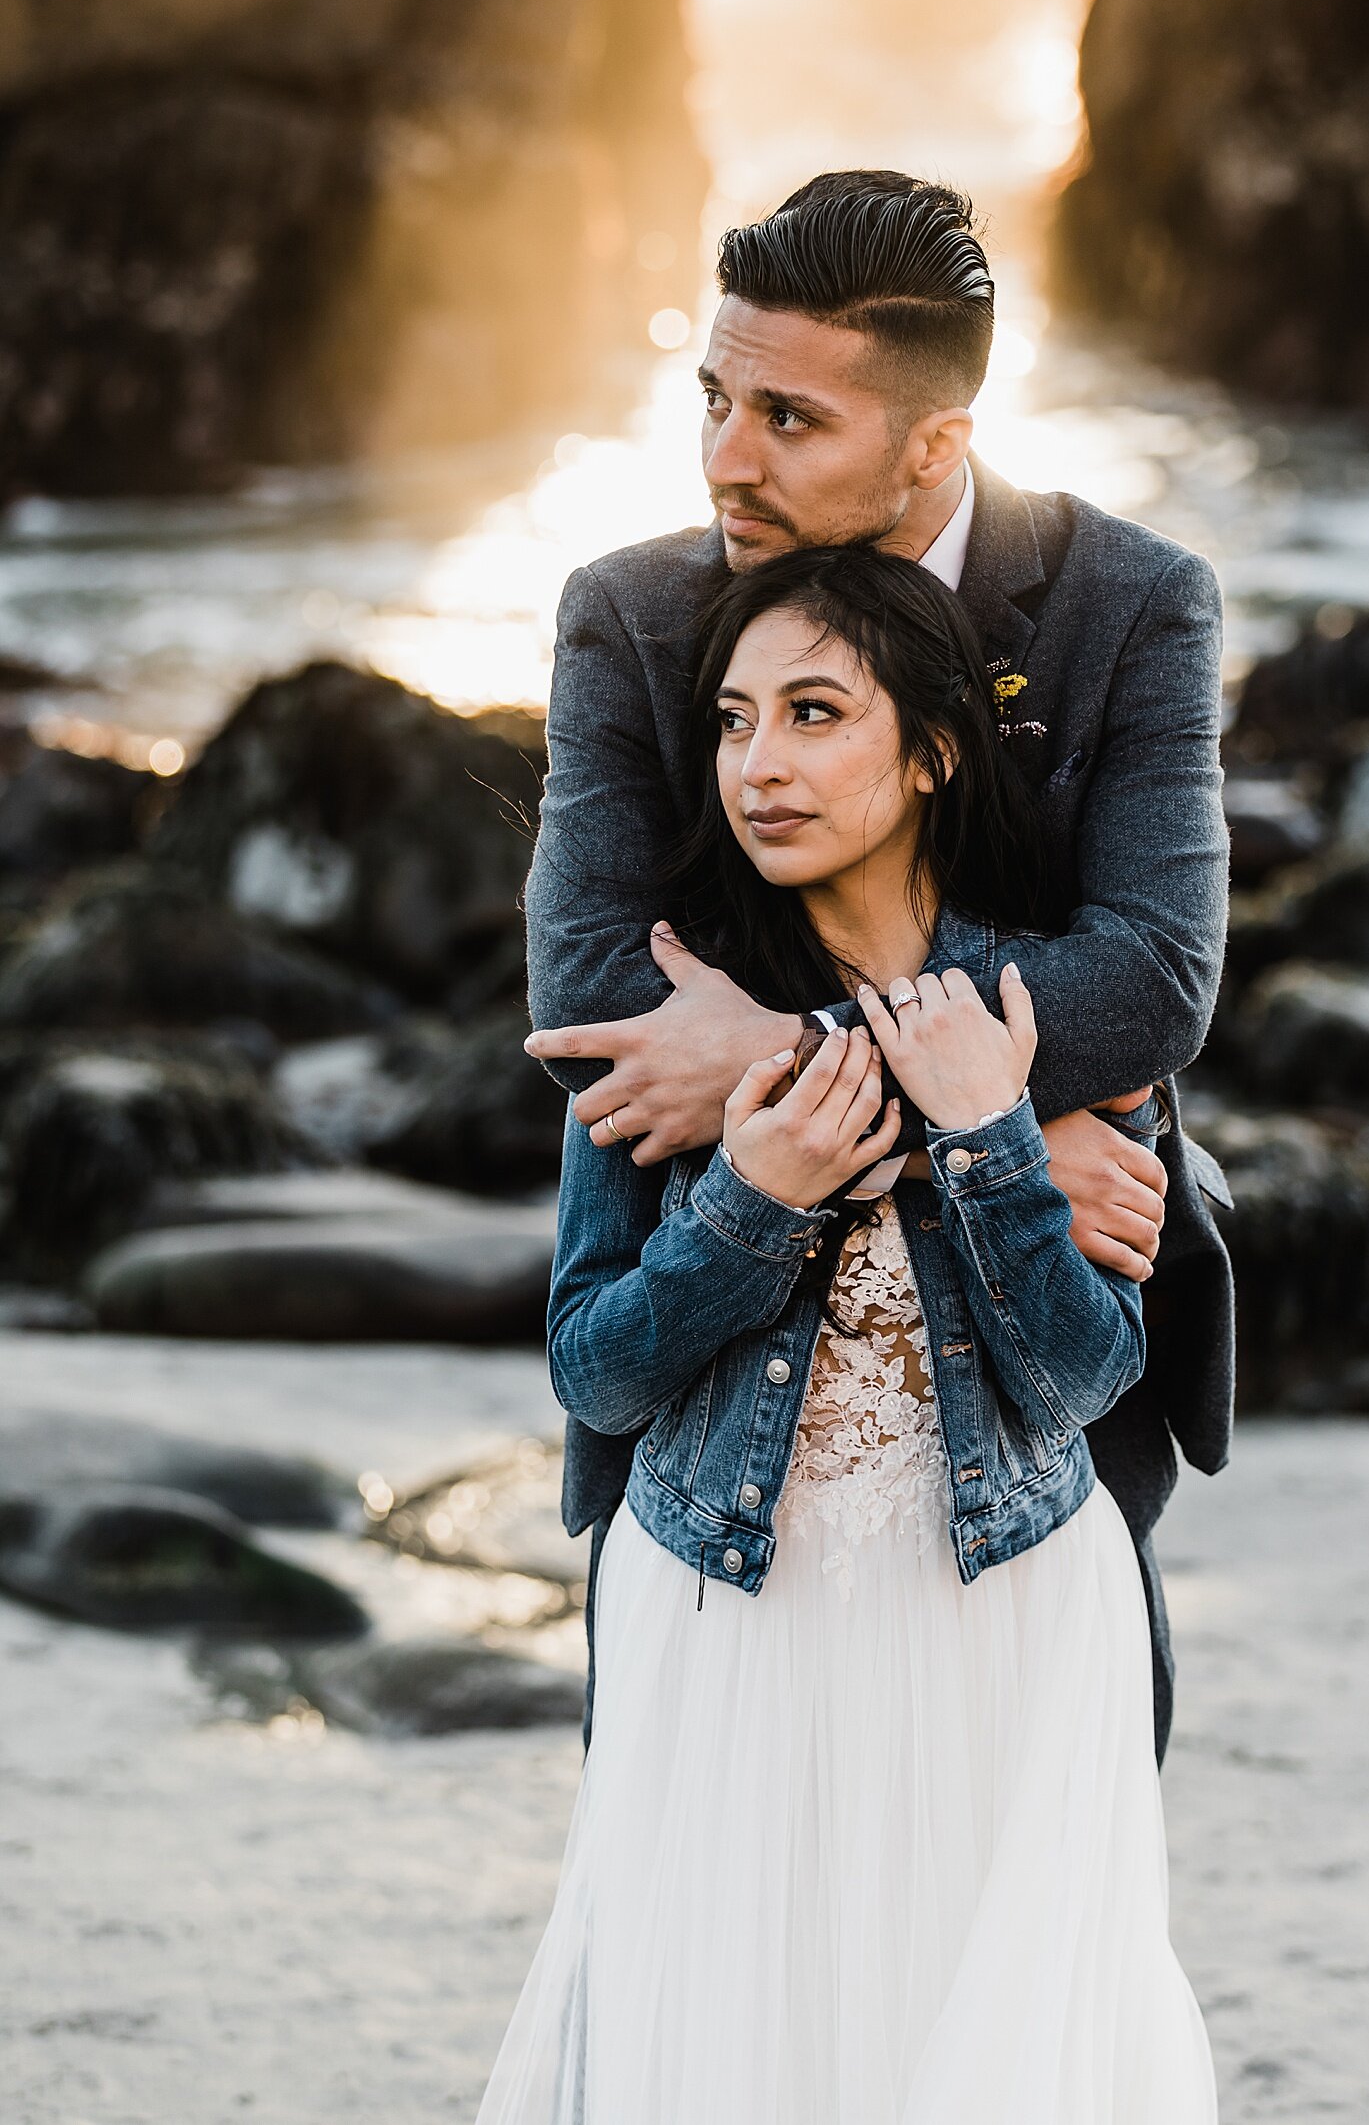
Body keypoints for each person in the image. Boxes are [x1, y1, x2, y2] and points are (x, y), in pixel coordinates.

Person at [478, 545, 1217, 2122]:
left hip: (1005, 1608)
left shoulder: (1048, 1017)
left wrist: (991, 1144)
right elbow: (596, 1366)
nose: (762, 764)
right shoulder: (675, 1016)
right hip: (728, 1612)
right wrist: (754, 1194)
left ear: (934, 747)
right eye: (737, 721)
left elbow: (1089, 1374)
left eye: (816, 714)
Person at [525, 168, 1234, 1764]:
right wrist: (993, 1135)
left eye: (789, 419)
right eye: (712, 397)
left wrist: (781, 1065)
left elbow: (1153, 982)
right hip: (726, 1376)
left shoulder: (1132, 606)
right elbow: (592, 996)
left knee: (1038, 1906)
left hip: (1053, 1343)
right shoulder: (632, 618)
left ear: (936, 445)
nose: (725, 459)